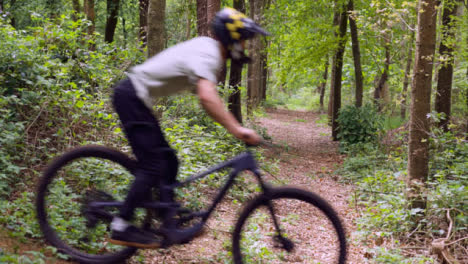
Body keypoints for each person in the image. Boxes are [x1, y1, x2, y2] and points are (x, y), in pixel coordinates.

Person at [109, 7, 269, 248]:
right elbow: (207, 97)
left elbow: (207, 100)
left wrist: (230, 125)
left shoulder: (208, 51)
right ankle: (121, 226)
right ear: (233, 38)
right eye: (244, 40)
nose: (245, 47)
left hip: (137, 98)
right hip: (131, 96)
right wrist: (237, 129)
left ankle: (167, 220)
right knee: (153, 165)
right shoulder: (209, 53)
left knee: (169, 161)